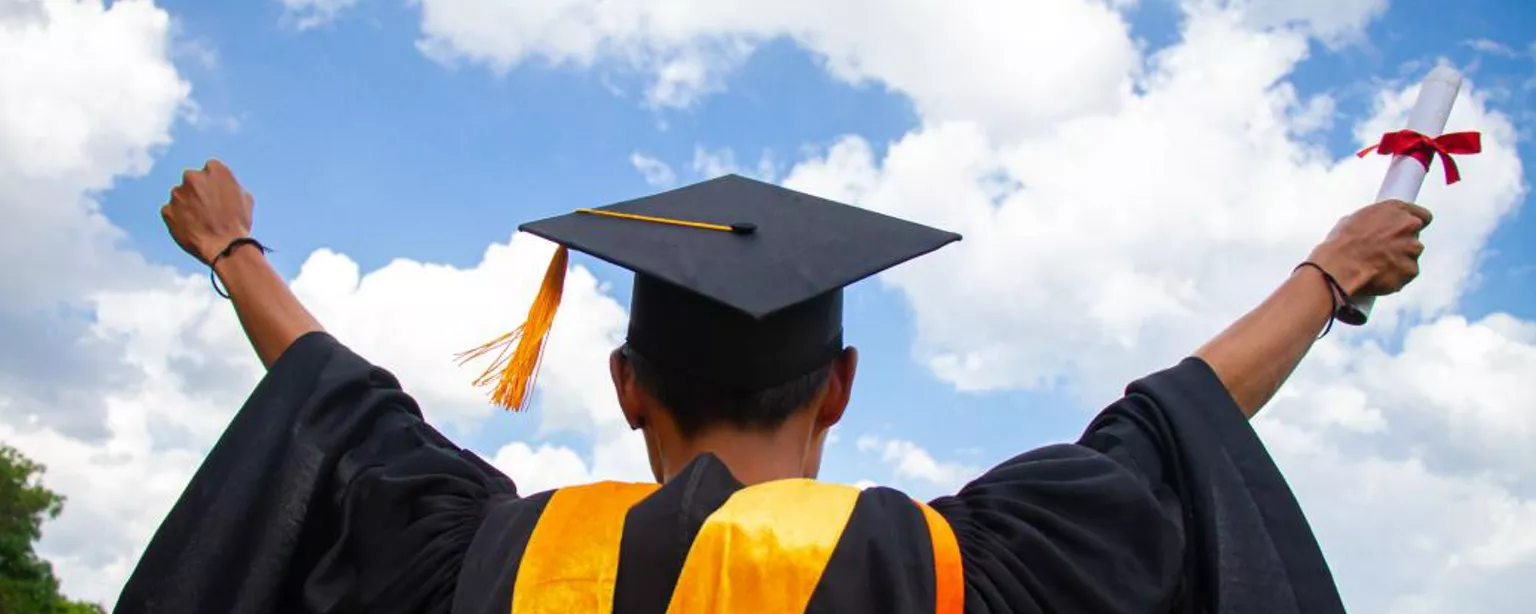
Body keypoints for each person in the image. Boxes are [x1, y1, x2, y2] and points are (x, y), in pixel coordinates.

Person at [116, 159, 1429, 614]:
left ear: (627, 384)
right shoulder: (971, 569)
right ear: (843, 383)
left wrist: (235, 251)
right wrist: (1330, 270)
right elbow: (1166, 425)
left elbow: (341, 413)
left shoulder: (479, 560)